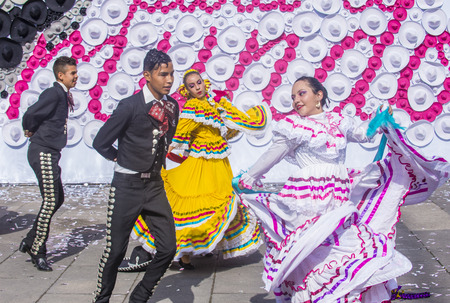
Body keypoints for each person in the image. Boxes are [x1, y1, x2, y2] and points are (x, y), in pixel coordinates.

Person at [236, 76, 450, 302]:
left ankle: (375, 285)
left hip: (338, 194)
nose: (296, 101)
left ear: (319, 95)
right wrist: (249, 177)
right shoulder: (294, 127)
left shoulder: (338, 121)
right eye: (292, 97)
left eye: (301, 93)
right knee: (316, 247)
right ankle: (321, 294)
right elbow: (272, 155)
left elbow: (362, 134)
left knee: (350, 242)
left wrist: (378, 119)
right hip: (308, 197)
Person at [124, 69, 267, 271]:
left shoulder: (214, 102)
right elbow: (180, 132)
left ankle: (200, 248)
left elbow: (229, 126)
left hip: (219, 162)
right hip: (201, 163)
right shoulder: (193, 107)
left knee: (221, 201)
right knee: (199, 203)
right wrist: (160, 154)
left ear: (204, 82)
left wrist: (234, 115)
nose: (197, 87)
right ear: (187, 90)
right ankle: (184, 254)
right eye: (192, 85)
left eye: (199, 82)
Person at [91, 49, 179, 303]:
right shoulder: (129, 106)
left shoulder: (171, 105)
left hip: (154, 185)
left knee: (168, 247)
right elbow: (101, 142)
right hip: (126, 186)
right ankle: (102, 299)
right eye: (163, 74)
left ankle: (140, 296)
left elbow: (166, 139)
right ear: (147, 75)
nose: (169, 79)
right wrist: (121, 158)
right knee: (116, 251)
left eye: (171, 74)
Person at [19, 56, 77, 272]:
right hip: (42, 151)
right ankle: (37, 249)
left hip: (50, 152)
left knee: (57, 198)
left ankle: (30, 239)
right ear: (60, 75)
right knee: (51, 200)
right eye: (72, 73)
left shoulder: (61, 93)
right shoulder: (53, 93)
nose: (76, 76)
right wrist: (30, 129)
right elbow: (31, 113)